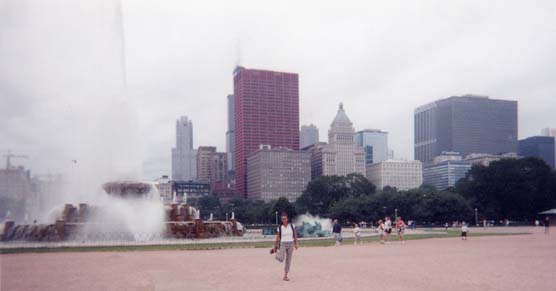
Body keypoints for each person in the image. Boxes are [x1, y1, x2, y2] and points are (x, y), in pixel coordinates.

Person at [272, 212, 298, 281]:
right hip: (283, 243)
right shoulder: (280, 227)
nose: (284, 220)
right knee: (281, 258)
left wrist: (296, 243)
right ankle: (276, 253)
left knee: (288, 260)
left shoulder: (292, 226)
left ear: (287, 219)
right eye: (282, 219)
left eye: (285, 219)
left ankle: (285, 275)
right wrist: (275, 247)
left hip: (291, 243)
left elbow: (295, 235)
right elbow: (277, 238)